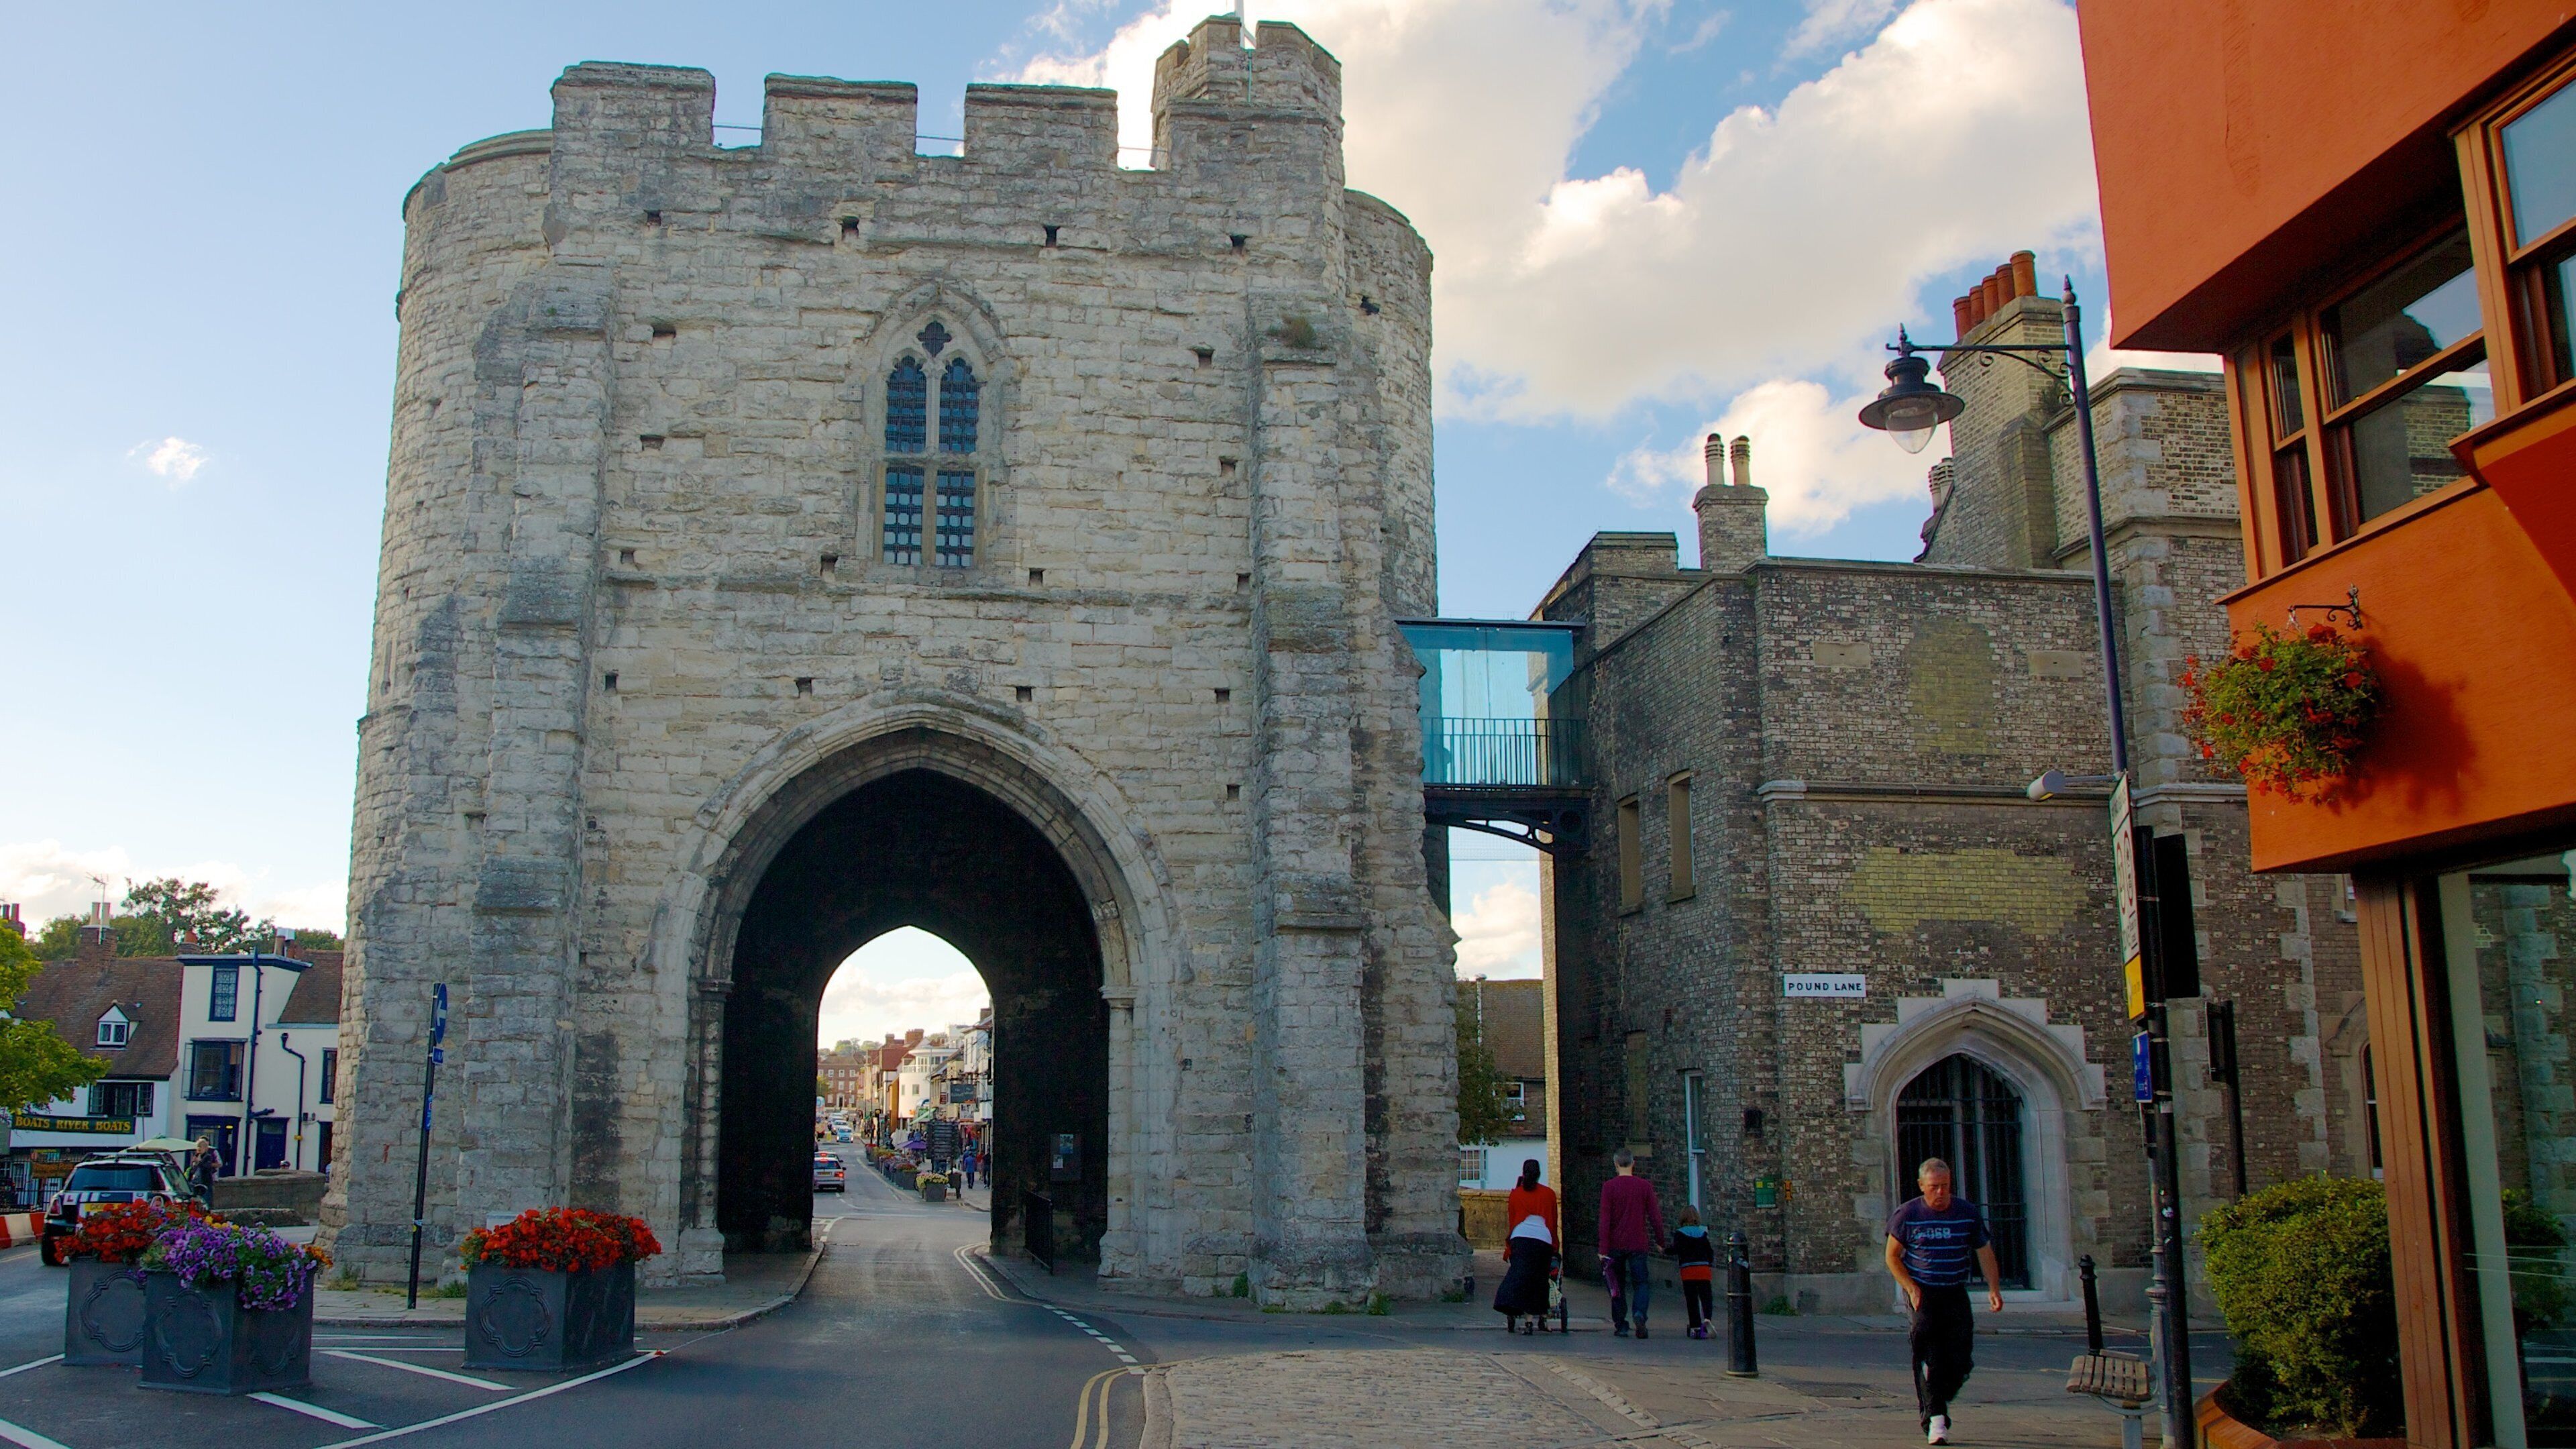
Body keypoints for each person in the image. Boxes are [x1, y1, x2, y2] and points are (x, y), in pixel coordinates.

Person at [1884, 1158, 2004, 1446]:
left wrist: (1994, 1288)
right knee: (1932, 1353)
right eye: (1934, 1187)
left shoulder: (1966, 1212)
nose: (1941, 1193)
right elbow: (1892, 1257)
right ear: (1922, 1186)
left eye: (1945, 1187)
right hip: (1923, 1291)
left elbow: (1984, 1251)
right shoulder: (1907, 1215)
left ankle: (1936, 1392)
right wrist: (1910, 1287)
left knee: (1961, 1358)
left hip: (1954, 1290)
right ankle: (1935, 1419)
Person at [1598, 1148, 1666, 1339]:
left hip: (1615, 1245)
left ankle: (1621, 1325)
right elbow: (1655, 1217)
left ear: (1616, 1165)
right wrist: (1660, 1242)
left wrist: (1603, 1249)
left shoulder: (1609, 1187)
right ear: (1633, 1163)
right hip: (1638, 1243)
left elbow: (1605, 1220)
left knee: (1616, 1285)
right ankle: (1640, 1313)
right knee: (1641, 1282)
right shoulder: (1644, 1186)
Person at [1491, 1159, 1560, 1333]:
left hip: (1520, 1238)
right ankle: (1538, 1318)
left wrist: (1510, 1247)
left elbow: (1513, 1221)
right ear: (1539, 1173)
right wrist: (1555, 1246)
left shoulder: (1516, 1194)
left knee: (1522, 1275)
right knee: (1540, 1278)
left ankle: (1520, 1314)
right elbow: (1552, 1222)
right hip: (1542, 1240)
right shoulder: (1549, 1194)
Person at [1672, 1205, 1716, 1340]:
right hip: (1703, 1269)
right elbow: (1709, 1252)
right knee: (1706, 1297)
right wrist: (1709, 1262)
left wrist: (1664, 1251)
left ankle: (1695, 1327)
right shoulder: (1702, 1233)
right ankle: (1707, 1319)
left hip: (1688, 1271)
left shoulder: (1680, 1234)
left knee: (1692, 1300)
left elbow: (1677, 1250)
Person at [189, 1138, 219, 1203]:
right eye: (198, 1147)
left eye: (201, 1147)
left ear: (205, 1148)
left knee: (206, 1201)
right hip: (195, 1183)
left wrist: (199, 1162)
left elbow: (206, 1167)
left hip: (205, 1183)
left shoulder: (208, 1157)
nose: (199, 1149)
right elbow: (193, 1170)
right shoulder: (196, 1156)